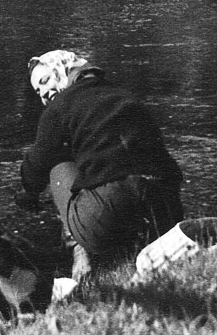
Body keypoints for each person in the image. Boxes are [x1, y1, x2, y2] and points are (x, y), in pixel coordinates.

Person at [16, 50, 184, 281]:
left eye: (45, 81)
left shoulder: (59, 108)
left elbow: (35, 167)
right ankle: (140, 244)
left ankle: (80, 255)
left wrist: (29, 193)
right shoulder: (123, 95)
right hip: (166, 210)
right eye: (38, 91)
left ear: (62, 70)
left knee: (56, 161)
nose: (44, 93)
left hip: (109, 216)